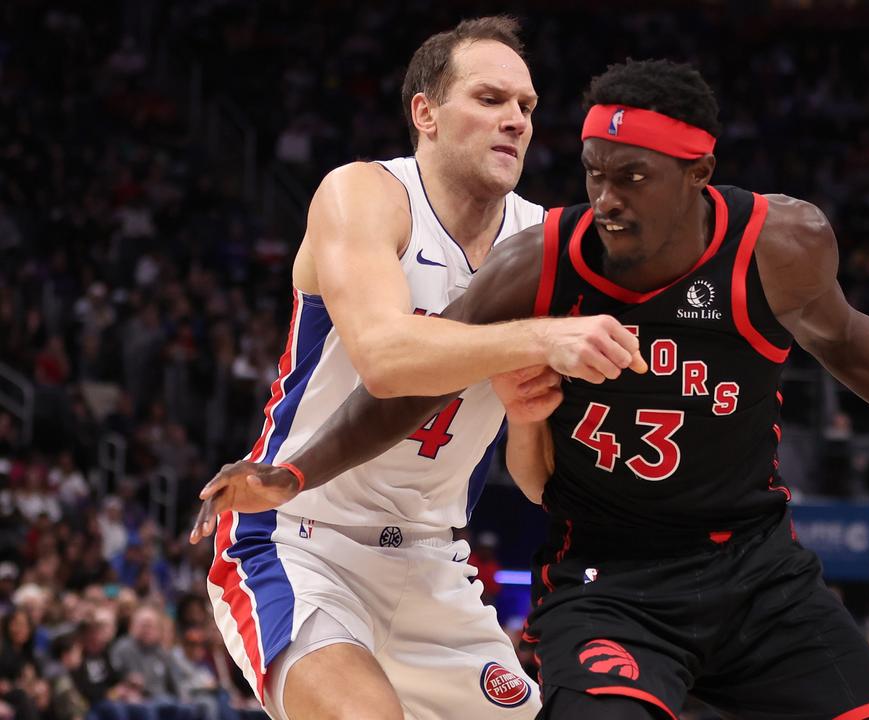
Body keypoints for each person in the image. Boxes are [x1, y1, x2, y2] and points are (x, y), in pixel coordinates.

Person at [196, 59, 869, 719]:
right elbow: (399, 381)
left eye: (632, 177)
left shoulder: (780, 242)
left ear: (697, 177)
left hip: (753, 567)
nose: (607, 198)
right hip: (603, 573)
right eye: (594, 172)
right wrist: (297, 472)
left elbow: (850, 342)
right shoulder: (535, 258)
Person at [188, 16, 645, 720]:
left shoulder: (542, 243)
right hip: (299, 536)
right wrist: (542, 336)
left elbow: (533, 480)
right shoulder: (366, 195)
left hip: (434, 557)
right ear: (424, 113)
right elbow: (386, 359)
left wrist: (527, 417)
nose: (516, 121)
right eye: (490, 100)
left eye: (526, 107)